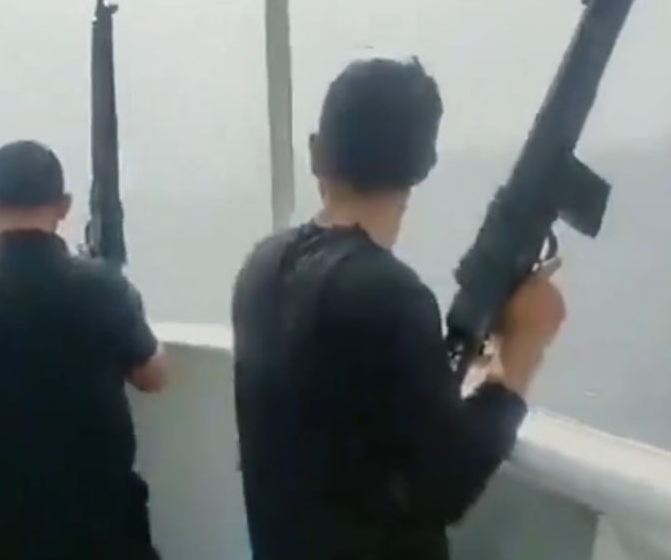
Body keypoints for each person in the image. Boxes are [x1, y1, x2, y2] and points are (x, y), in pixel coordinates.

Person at [231, 57, 566, 560]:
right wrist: (522, 348)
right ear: (423, 165)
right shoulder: (392, 297)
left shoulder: (260, 268)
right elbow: (444, 488)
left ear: (316, 152)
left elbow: (343, 404)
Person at [0, 140, 168, 560]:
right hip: (109, 523)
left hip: (9, 528)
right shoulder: (104, 287)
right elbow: (154, 377)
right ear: (65, 205)